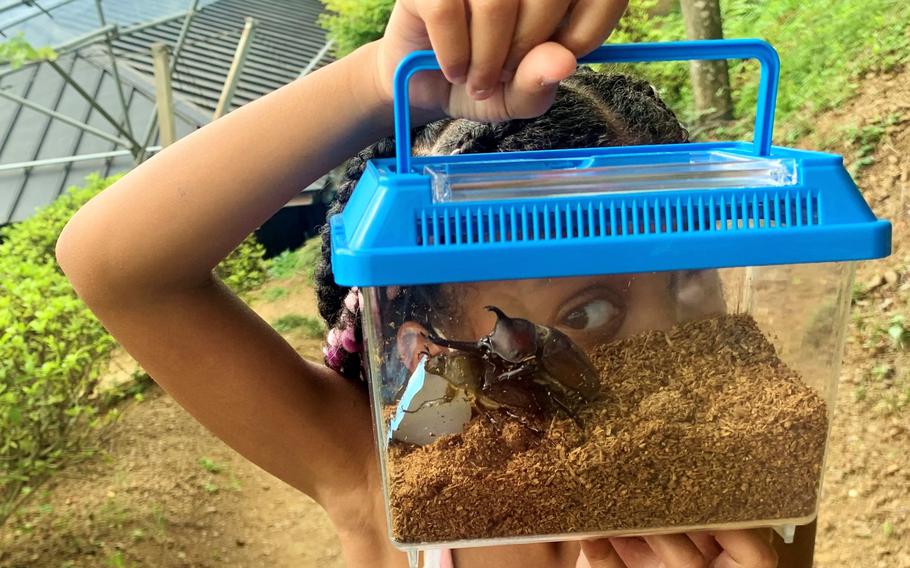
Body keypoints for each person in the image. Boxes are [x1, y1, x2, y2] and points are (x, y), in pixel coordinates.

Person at [57, 1, 790, 566]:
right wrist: (380, 81)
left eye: (692, 282)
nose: (669, 343)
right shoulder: (387, 485)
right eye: (590, 309)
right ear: (432, 357)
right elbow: (120, 270)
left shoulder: (739, 504)